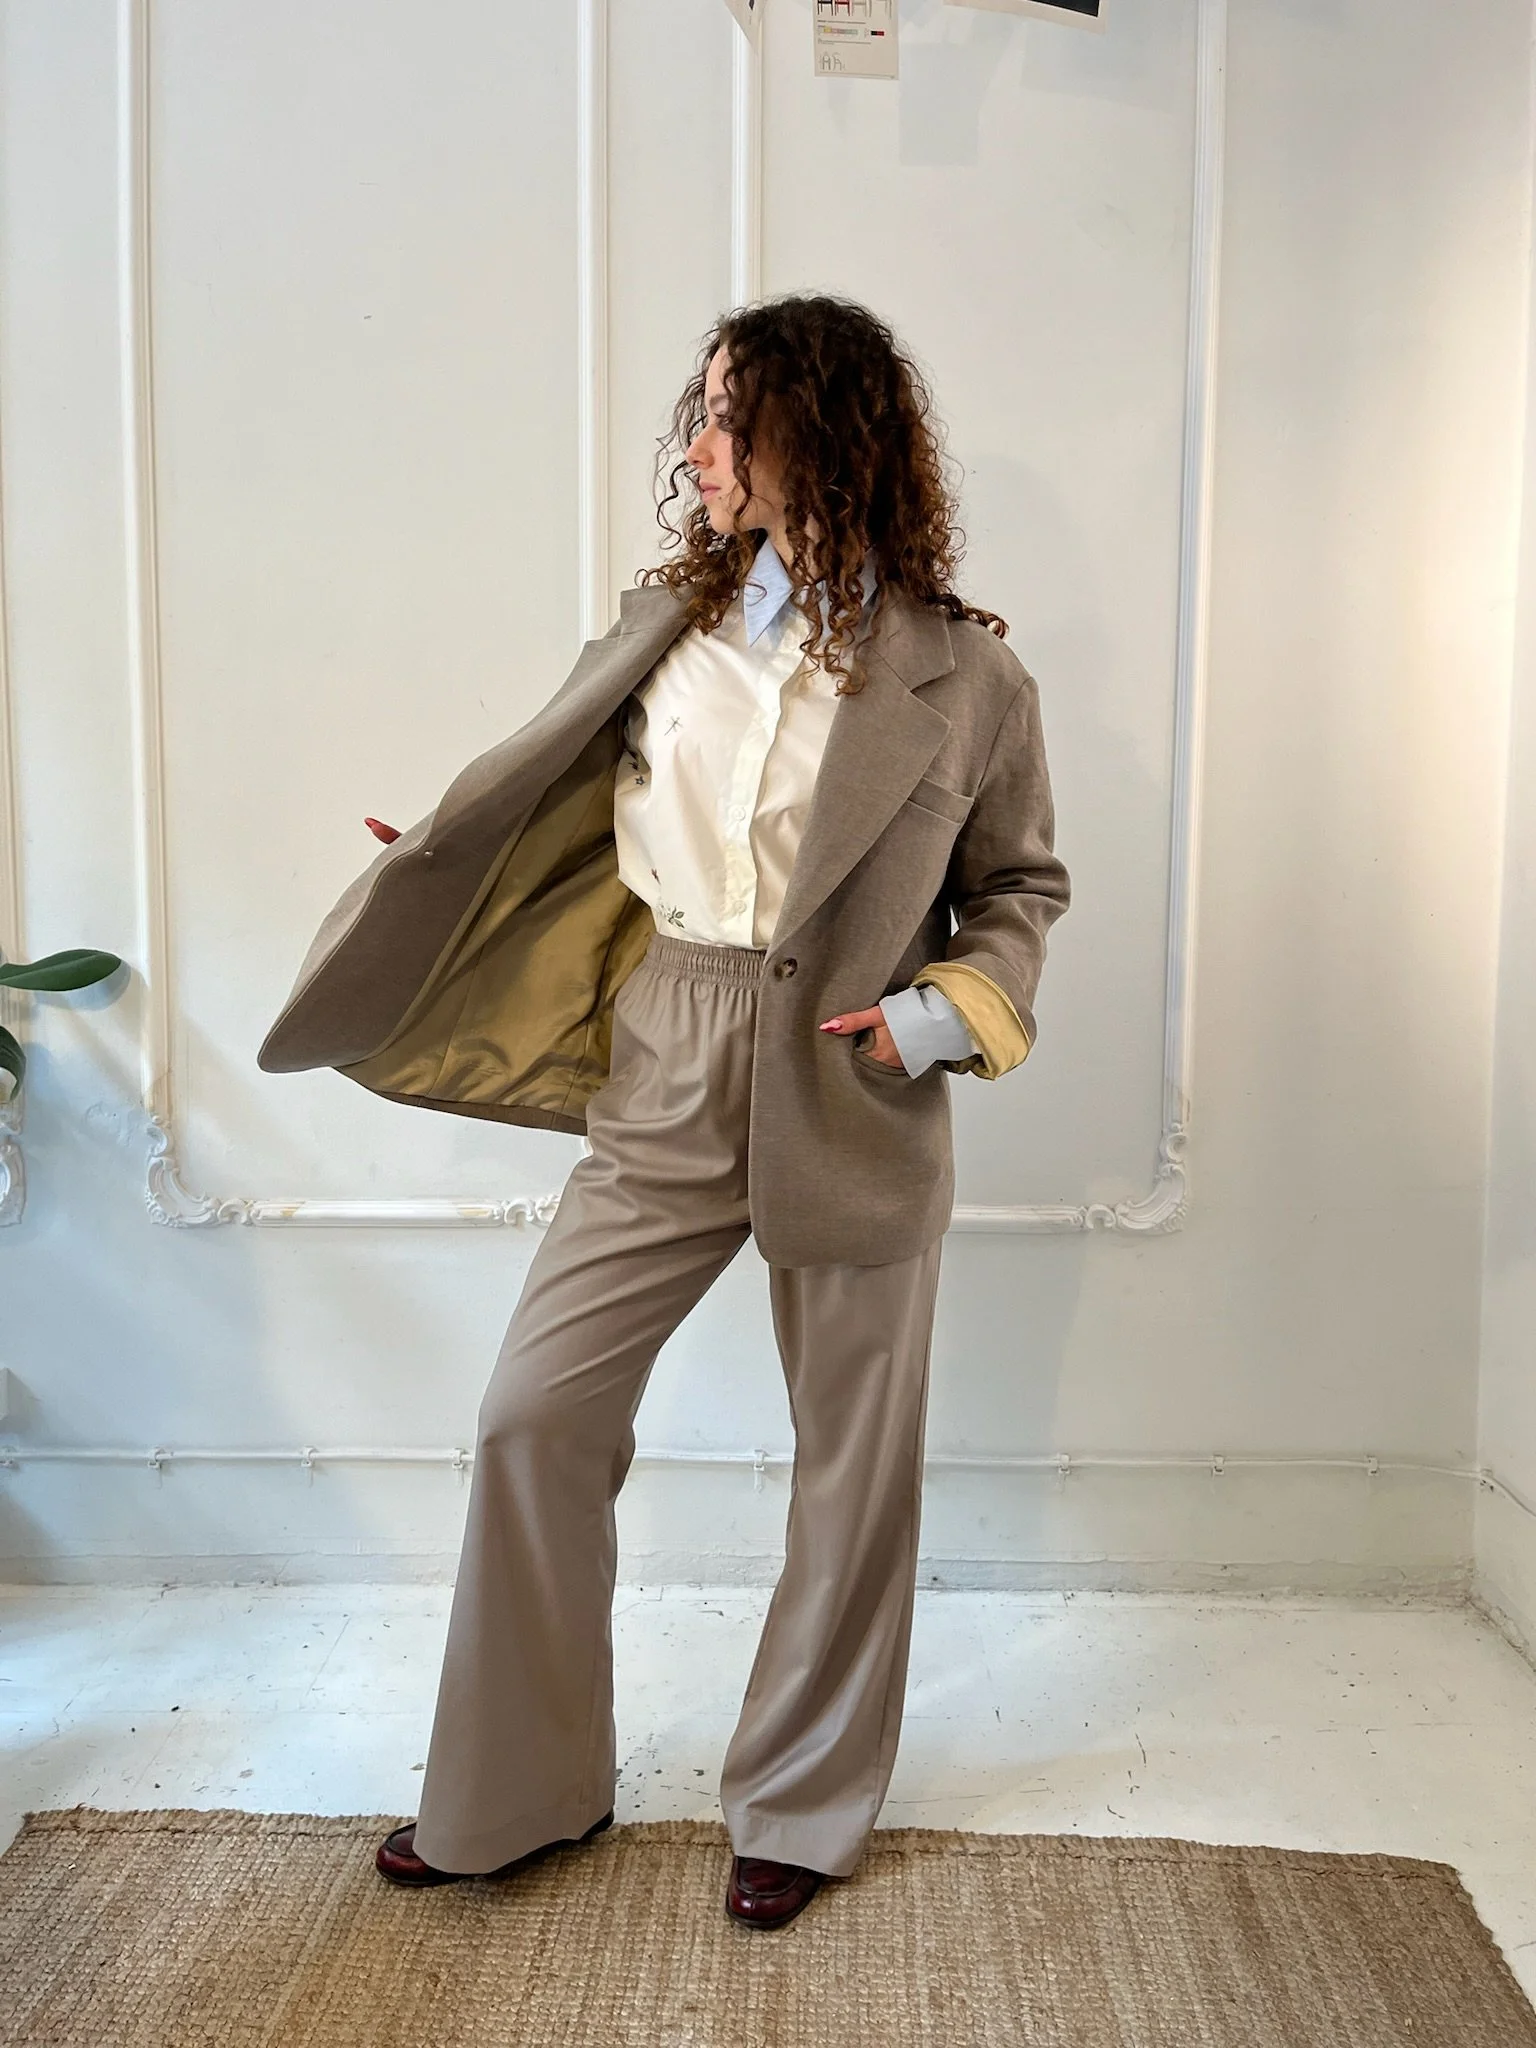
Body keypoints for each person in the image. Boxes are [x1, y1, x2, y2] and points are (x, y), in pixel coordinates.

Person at [257, 291, 1071, 1930]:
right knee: (534, 1415)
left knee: (851, 1465)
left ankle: (802, 1805)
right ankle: (521, 1791)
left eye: (724, 415)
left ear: (815, 436)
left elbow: (1020, 890)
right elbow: (577, 804)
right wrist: (455, 861)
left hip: (852, 1069)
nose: (695, 446)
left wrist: (933, 1019)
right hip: (672, 1042)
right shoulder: (663, 625)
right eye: (696, 413)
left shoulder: (970, 674)